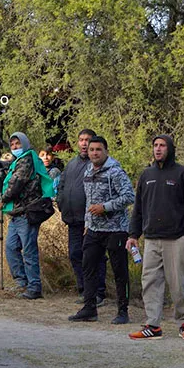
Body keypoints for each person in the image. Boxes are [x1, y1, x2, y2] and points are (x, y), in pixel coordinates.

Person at [127, 135, 184, 341]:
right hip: (151, 239)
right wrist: (133, 235)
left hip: (176, 239)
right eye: (155, 145)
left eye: (162, 145)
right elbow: (138, 208)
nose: (158, 149)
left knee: (178, 284)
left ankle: (183, 323)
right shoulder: (147, 174)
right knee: (150, 282)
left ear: (170, 148)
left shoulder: (183, 174)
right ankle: (153, 325)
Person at [68, 137, 135, 324]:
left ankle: (123, 311)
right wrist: (87, 223)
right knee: (88, 267)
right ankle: (89, 308)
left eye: (98, 149)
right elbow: (89, 200)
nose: (94, 153)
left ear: (106, 151)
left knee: (119, 271)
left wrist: (105, 207)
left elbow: (130, 196)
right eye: (91, 150)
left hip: (116, 229)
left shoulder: (115, 171)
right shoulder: (88, 170)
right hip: (94, 230)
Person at [1, 132, 55, 300]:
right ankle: (20, 282)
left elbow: (16, 184)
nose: (16, 147)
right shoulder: (16, 161)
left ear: (25, 143)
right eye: (13, 145)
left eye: (18, 143)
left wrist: (2, 197)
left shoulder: (27, 160)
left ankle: (34, 286)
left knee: (29, 250)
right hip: (16, 213)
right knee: (11, 247)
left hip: (27, 212)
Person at [57, 129, 108, 305]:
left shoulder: (98, 164)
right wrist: (62, 204)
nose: (84, 143)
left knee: (95, 256)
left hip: (92, 220)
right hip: (73, 219)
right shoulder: (71, 164)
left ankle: (98, 293)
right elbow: (61, 186)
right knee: (75, 254)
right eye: (81, 140)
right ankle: (85, 290)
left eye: (88, 140)